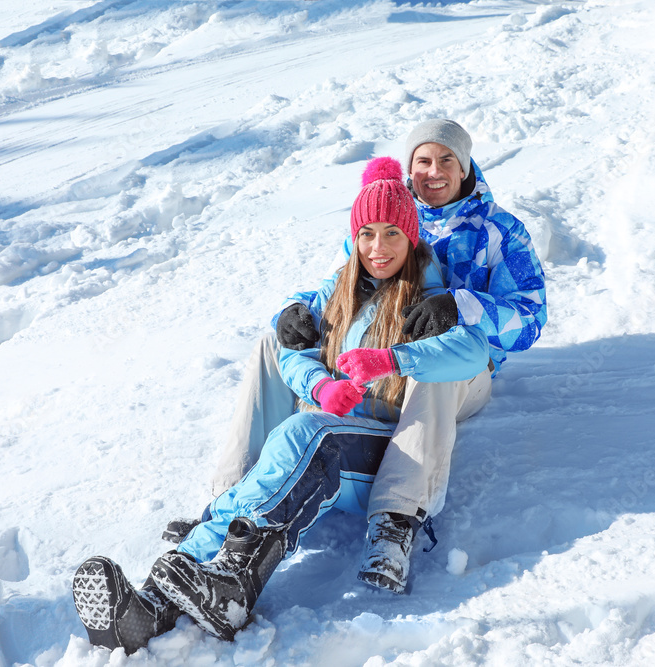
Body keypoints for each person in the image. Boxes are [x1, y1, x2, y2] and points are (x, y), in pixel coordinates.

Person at [72, 157, 490, 653]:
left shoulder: (431, 295)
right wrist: (318, 385)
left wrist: (390, 359)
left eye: (393, 234)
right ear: (354, 237)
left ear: (413, 237)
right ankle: (153, 605)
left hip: (383, 450)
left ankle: (237, 579)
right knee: (276, 459)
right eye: (368, 234)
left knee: (303, 434)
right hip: (331, 437)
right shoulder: (338, 290)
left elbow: (473, 354)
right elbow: (288, 347)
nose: (379, 248)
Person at [212, 119, 548, 594]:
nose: (434, 171)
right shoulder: (390, 210)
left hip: (464, 367)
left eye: (446, 159)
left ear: (466, 164)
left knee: (432, 368)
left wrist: (462, 304)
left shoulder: (499, 231)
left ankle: (396, 519)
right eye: (423, 161)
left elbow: (530, 315)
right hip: (376, 356)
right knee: (274, 343)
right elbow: (349, 281)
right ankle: (233, 501)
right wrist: (294, 310)